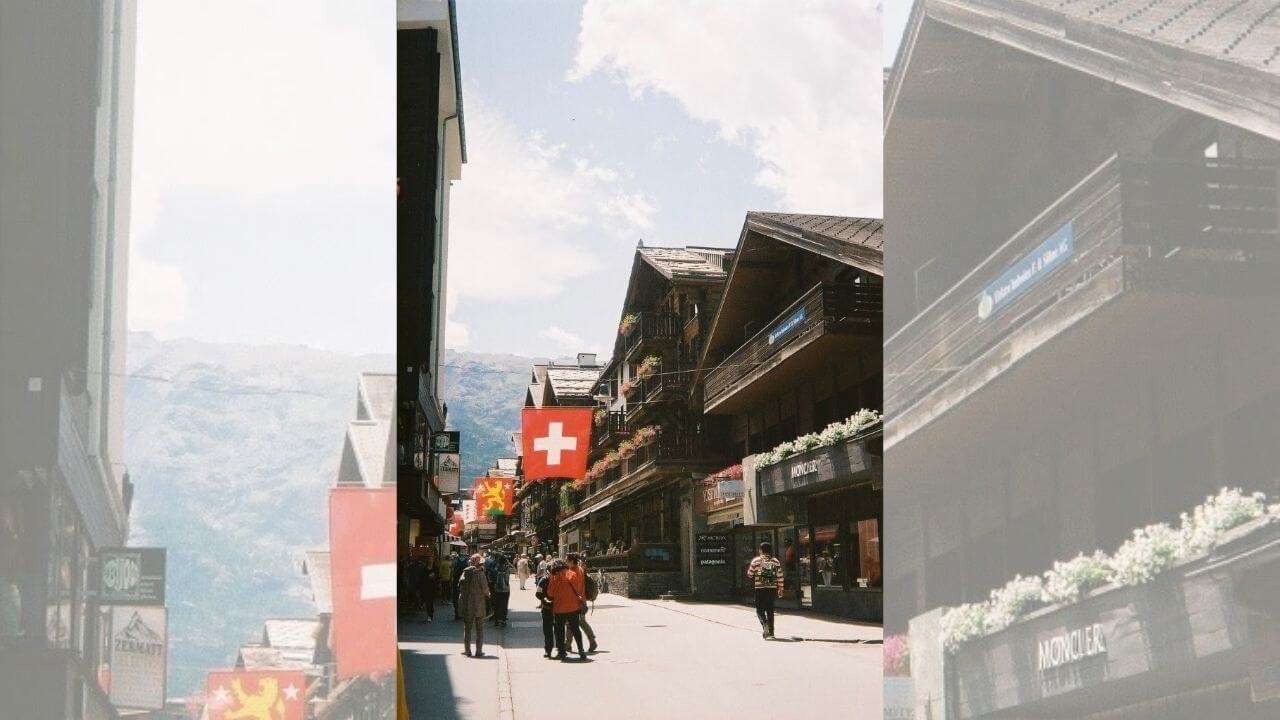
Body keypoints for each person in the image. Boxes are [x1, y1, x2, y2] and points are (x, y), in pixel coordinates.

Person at [547, 552, 588, 661]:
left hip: (559, 608)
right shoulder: (572, 574)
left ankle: (561, 652)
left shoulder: (554, 577)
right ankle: (581, 650)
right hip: (573, 607)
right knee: (575, 629)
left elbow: (550, 594)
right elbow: (579, 590)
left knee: (559, 630)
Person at [747, 541, 784, 639]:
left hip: (760, 589)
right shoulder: (775, 561)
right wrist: (780, 588)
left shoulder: (756, 561)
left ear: (761, 550)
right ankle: (771, 633)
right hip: (771, 589)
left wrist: (754, 572)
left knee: (760, 610)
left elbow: (750, 574)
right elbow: (780, 576)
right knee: (770, 610)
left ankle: (765, 624)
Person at [457, 554, 491, 657]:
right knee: (479, 629)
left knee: (467, 629)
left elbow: (460, 585)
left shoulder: (465, 572)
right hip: (479, 604)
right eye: (481, 563)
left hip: (468, 604)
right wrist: (489, 595)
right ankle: (478, 651)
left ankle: (467, 650)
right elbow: (485, 590)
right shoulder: (480, 574)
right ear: (479, 563)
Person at [566, 554, 599, 653]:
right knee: (579, 622)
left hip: (575, 602)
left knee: (571, 623)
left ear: (572, 562)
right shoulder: (580, 570)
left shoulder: (572, 572)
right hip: (581, 600)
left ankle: (569, 644)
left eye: (567, 561)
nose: (565, 563)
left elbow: (570, 587)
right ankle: (569, 643)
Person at [534, 561, 559, 658]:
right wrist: (545, 600)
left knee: (557, 630)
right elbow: (538, 594)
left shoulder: (558, 579)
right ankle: (548, 650)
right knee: (548, 630)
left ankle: (559, 649)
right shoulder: (544, 580)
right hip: (548, 608)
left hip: (556, 608)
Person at [491, 554, 511, 627]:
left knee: (497, 604)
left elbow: (492, 576)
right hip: (505, 589)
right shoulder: (507, 568)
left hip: (497, 588)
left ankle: (496, 620)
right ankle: (503, 620)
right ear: (505, 561)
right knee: (504, 604)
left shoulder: (496, 568)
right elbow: (513, 571)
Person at [451, 550, 468, 621]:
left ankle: (456, 613)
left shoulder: (455, 561)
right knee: (464, 597)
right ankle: (463, 613)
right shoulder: (467, 562)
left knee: (455, 597)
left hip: (456, 581)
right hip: (464, 582)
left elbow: (452, 571)